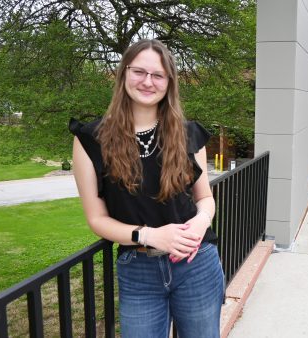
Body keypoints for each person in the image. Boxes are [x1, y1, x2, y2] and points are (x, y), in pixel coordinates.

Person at [69, 39, 224, 338]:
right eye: (139, 71)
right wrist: (151, 235)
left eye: (158, 75)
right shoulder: (91, 139)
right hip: (138, 270)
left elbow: (205, 198)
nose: (148, 82)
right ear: (123, 73)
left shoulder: (188, 134)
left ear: (169, 82)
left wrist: (201, 222)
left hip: (196, 263)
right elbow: (96, 219)